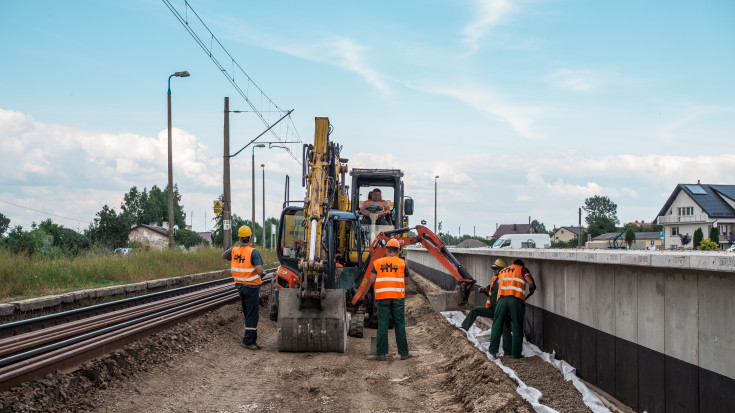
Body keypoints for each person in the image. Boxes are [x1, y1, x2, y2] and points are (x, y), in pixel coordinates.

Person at [368, 238, 412, 361]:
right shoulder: (402, 263)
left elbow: (371, 280)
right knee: (400, 324)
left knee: (383, 324)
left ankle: (381, 354)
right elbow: (407, 281)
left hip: (382, 298)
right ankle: (404, 353)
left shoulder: (377, 262)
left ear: (386, 250)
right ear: (398, 251)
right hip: (398, 298)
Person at [222, 225, 265, 350]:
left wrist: (233, 247)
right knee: (253, 314)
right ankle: (247, 341)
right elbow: (258, 269)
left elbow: (224, 256)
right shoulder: (253, 252)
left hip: (240, 286)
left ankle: (252, 340)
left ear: (240, 239)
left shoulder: (234, 250)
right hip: (251, 287)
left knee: (248, 313)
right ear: (250, 238)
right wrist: (262, 272)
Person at [460, 259, 512, 355]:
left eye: (495, 268)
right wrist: (483, 289)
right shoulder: (494, 279)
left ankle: (502, 352)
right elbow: (488, 288)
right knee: (475, 310)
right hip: (492, 309)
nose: (493, 270)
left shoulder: (507, 281)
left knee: (502, 330)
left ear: (501, 270)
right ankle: (463, 328)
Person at [488, 258, 536, 358]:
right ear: (521, 265)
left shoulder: (503, 271)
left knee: (497, 324)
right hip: (516, 300)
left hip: (501, 300)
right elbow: (530, 282)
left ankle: (492, 351)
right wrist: (532, 287)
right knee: (517, 326)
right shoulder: (522, 269)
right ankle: (516, 354)